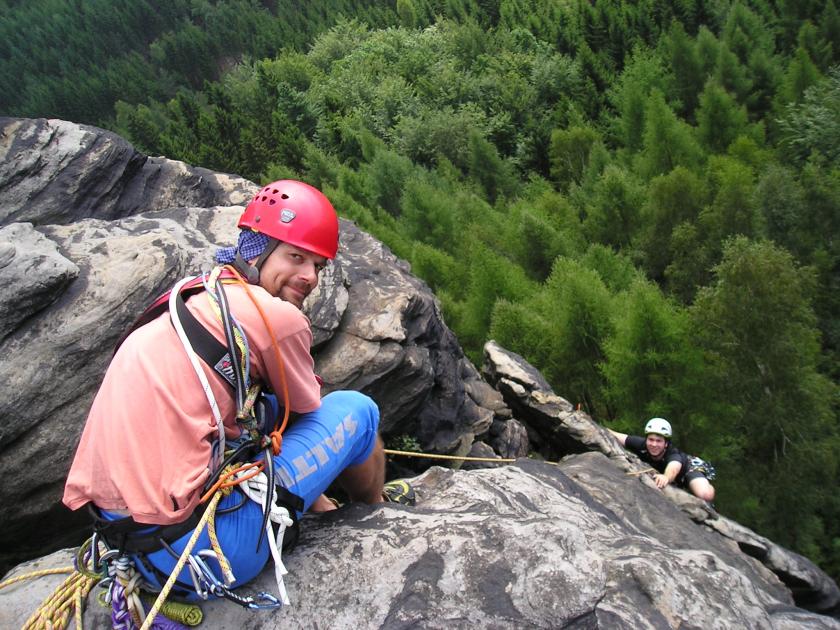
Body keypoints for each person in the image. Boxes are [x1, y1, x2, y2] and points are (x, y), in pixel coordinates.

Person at [63, 180, 411, 613]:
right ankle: (375, 510)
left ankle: (324, 508)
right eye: (296, 257)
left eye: (318, 266)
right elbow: (310, 412)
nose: (309, 276)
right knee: (360, 410)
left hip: (125, 544)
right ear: (257, 249)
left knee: (266, 412)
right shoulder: (276, 317)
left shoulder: (190, 295)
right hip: (206, 556)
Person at [608, 417, 715, 502]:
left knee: (705, 494)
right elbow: (614, 435)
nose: (654, 444)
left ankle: (707, 490)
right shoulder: (641, 444)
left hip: (690, 468)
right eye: (651, 440)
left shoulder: (672, 454)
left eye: (659, 441)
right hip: (675, 477)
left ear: (666, 443)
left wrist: (666, 477)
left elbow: (674, 467)